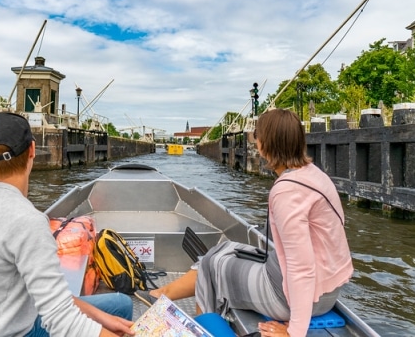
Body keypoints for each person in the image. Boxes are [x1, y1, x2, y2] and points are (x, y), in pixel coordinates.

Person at [149, 109, 353, 337]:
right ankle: (162, 294)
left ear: (266, 144)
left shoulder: (287, 191)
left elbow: (301, 268)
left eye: (257, 136)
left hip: (296, 297)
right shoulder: (314, 175)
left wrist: (294, 332)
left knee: (210, 265)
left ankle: (201, 329)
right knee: (223, 248)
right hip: (327, 287)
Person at [0, 112, 135, 337]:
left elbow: (51, 298)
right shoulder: (28, 221)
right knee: (123, 307)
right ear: (33, 150)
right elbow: (63, 323)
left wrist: (104, 319)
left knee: (119, 307)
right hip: (7, 332)